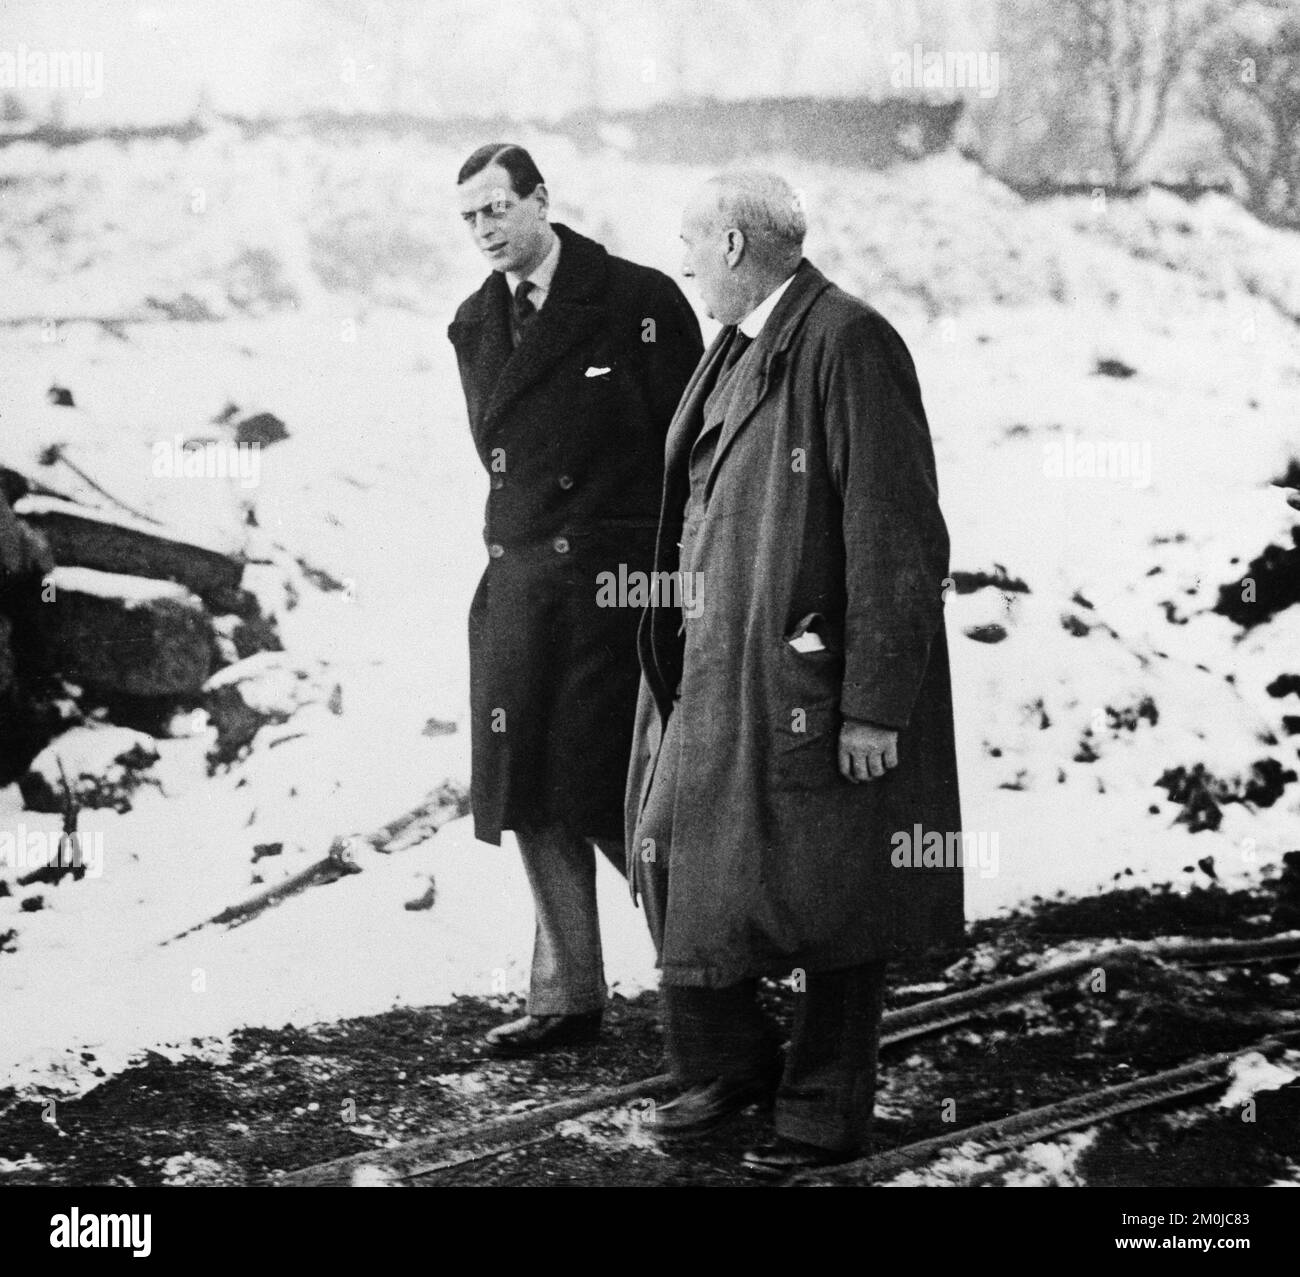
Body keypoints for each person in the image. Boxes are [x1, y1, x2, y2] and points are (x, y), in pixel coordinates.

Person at [625, 170, 964, 1171]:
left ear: (733, 245)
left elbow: (897, 531)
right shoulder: (737, 343)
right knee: (672, 850)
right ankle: (731, 1063)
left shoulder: (848, 340)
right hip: (720, 668)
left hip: (809, 678)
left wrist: (874, 706)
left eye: (691, 240)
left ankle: (821, 1113)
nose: (683, 260)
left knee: (834, 898)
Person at [448, 144, 702, 1055]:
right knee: (528, 787)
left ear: (541, 200)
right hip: (522, 587)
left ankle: (709, 987)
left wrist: (679, 582)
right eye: (469, 217)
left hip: (619, 587)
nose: (484, 229)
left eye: (497, 208)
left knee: (616, 791)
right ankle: (567, 993)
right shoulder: (473, 323)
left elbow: (693, 454)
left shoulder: (637, 301)